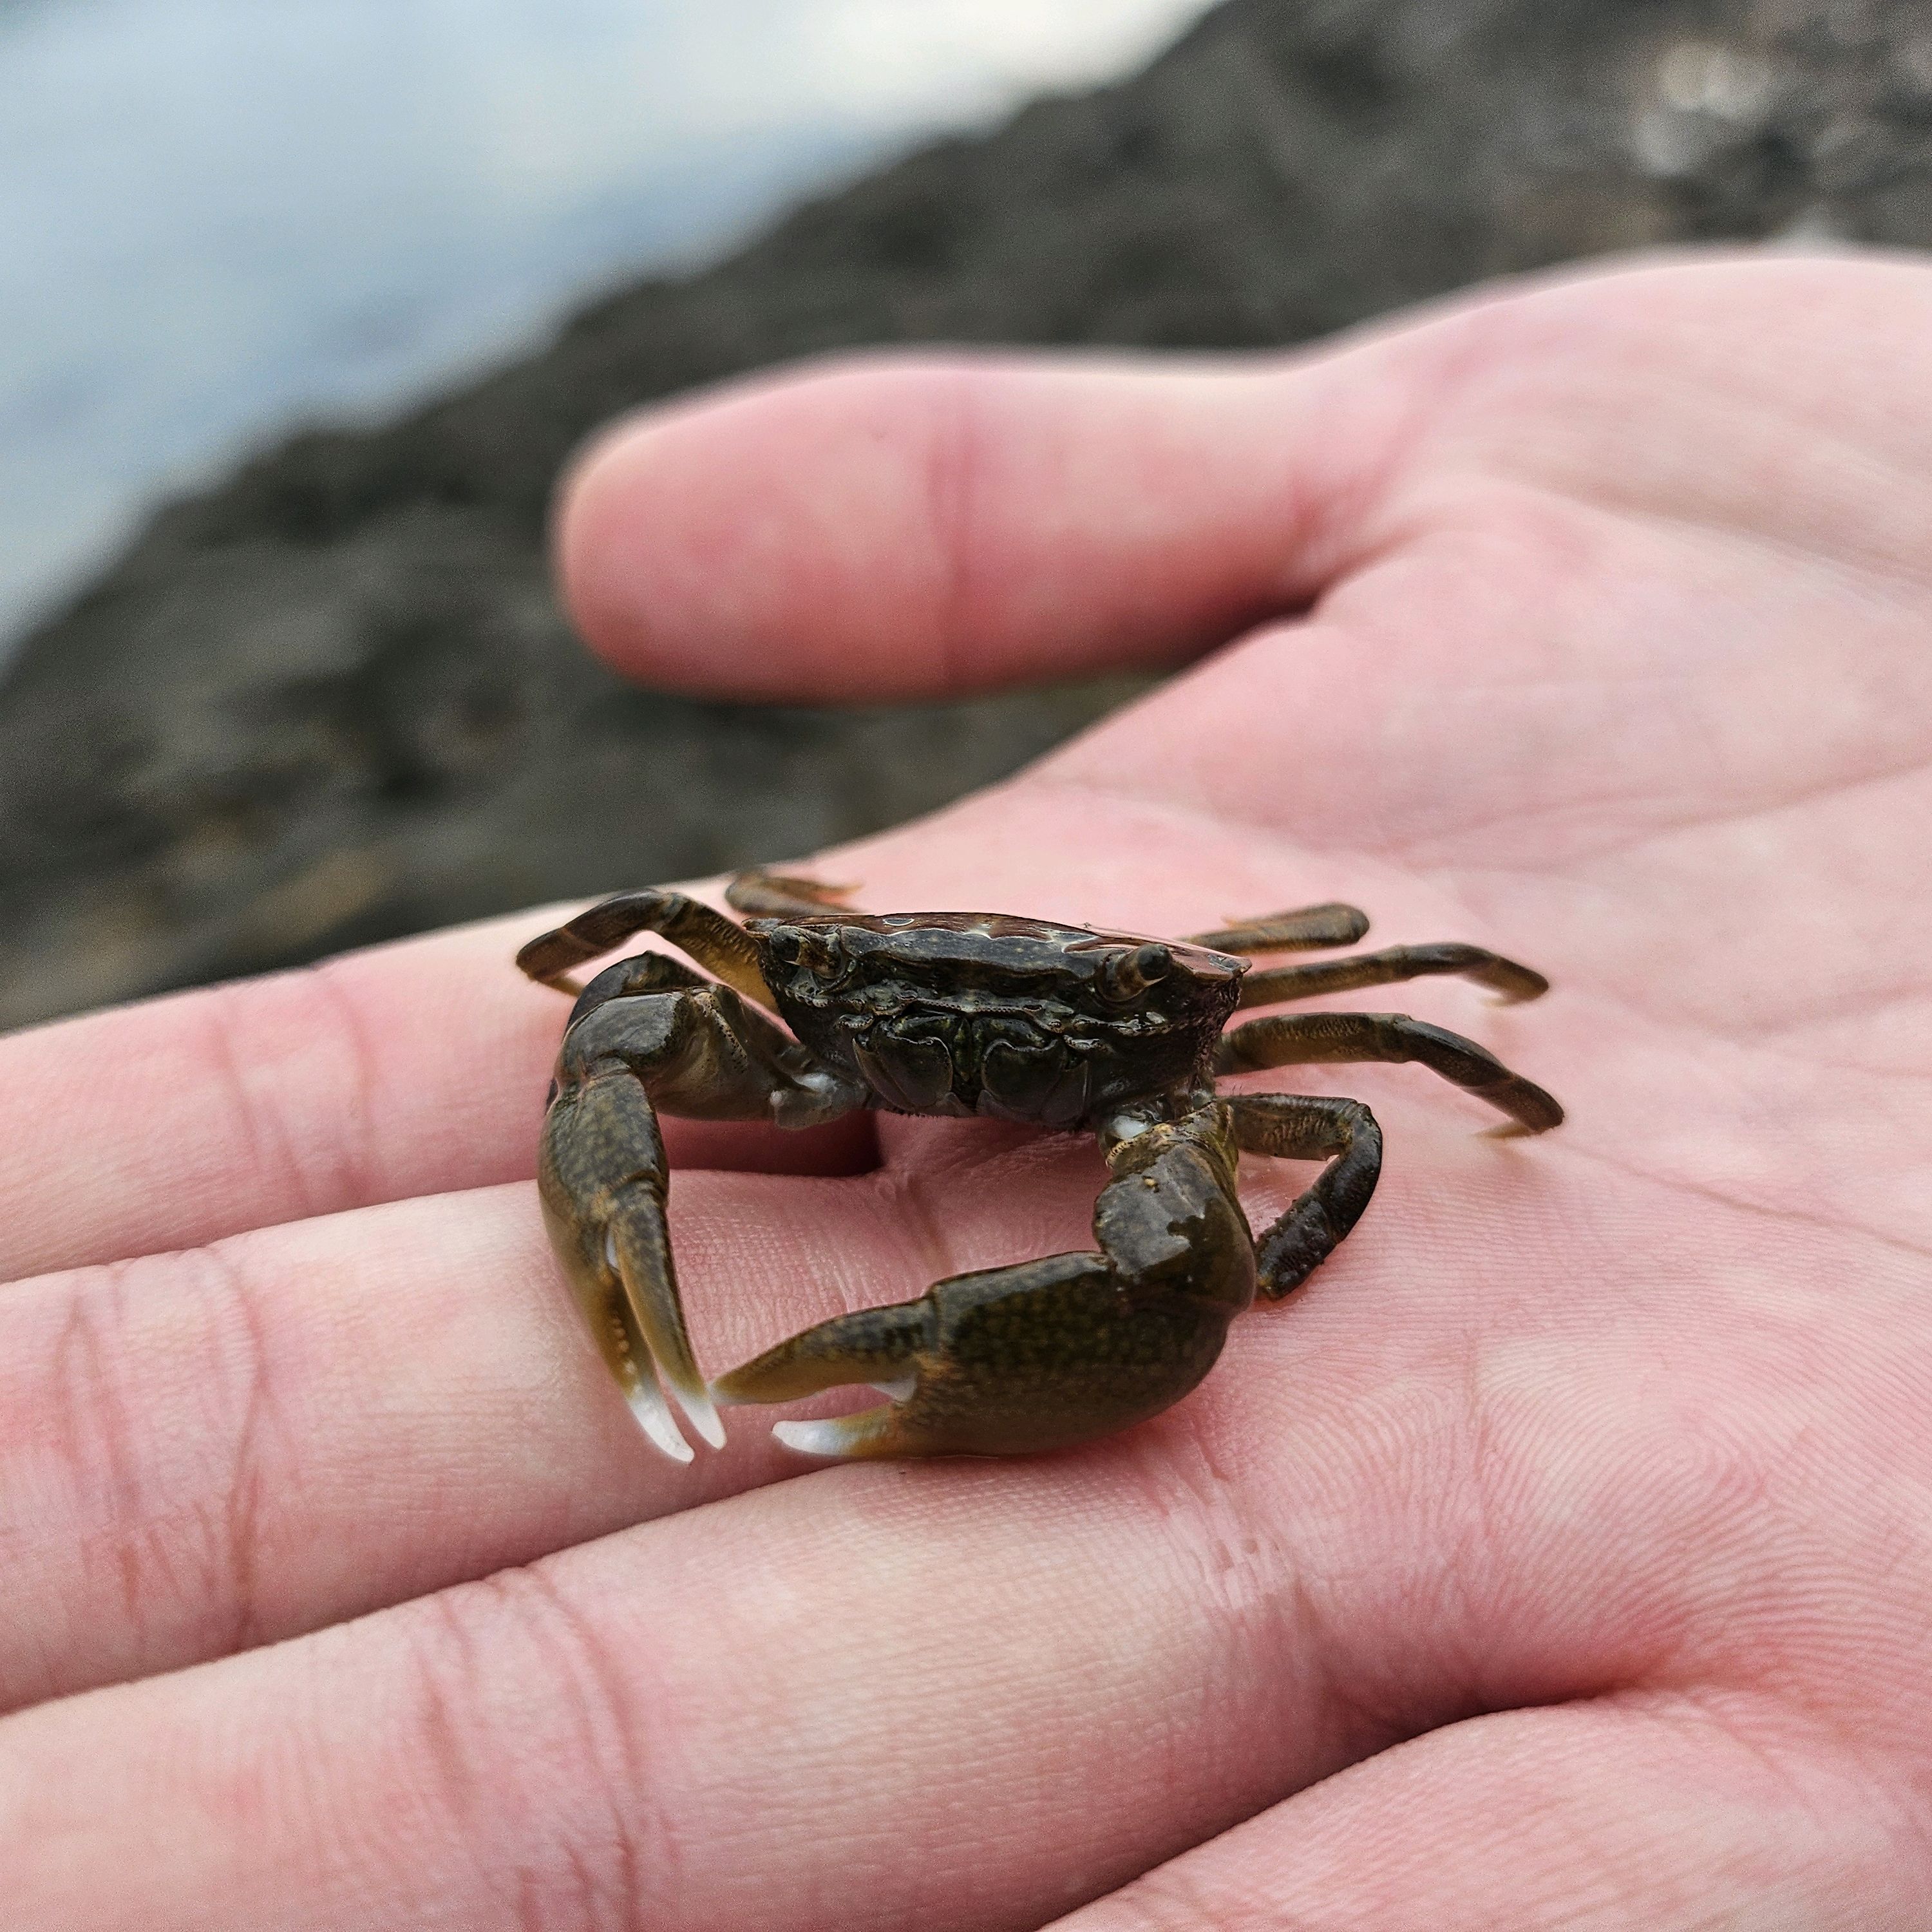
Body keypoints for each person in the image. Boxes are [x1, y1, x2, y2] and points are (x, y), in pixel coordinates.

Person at [1, 251, 1927, 1928]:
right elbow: (614, 970)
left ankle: (935, 1353)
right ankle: (666, 1272)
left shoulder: (1202, 1055)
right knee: (624, 1040)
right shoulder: (785, 975)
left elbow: (1376, 1084)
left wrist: (1274, 1263)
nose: (970, 1050)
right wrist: (681, 990)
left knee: (1255, 1188)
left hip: (1134, 1084)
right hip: (850, 1012)